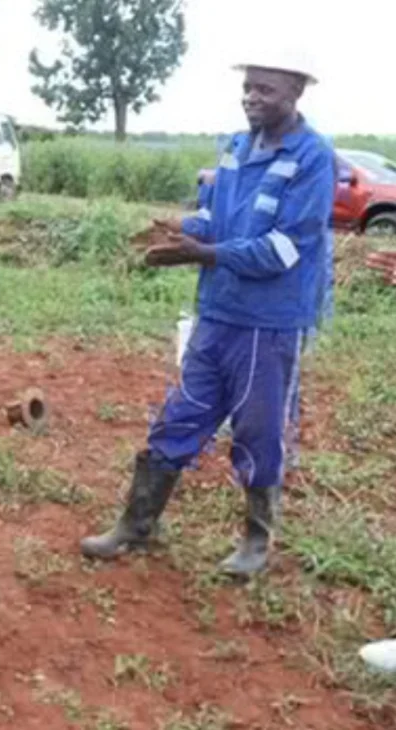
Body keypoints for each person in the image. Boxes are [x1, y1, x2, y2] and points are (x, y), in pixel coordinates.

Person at [79, 51, 335, 577]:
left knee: (258, 430)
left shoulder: (312, 158)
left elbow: (285, 249)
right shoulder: (236, 148)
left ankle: (256, 544)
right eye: (248, 88)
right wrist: (179, 230)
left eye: (265, 89)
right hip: (217, 313)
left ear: (295, 93)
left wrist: (202, 253)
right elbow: (211, 215)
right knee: (181, 414)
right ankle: (136, 525)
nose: (252, 98)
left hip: (269, 324)